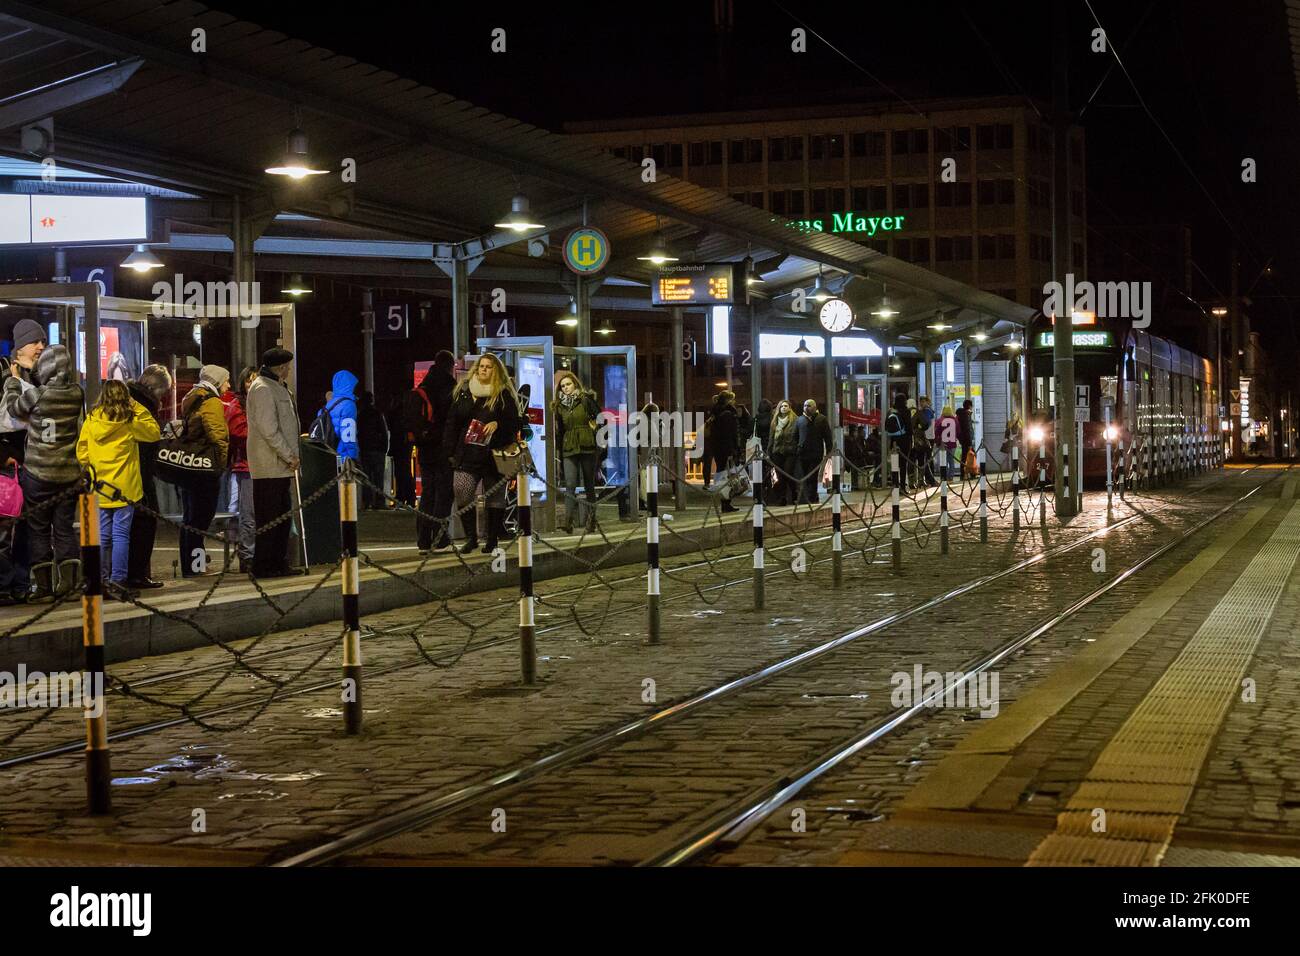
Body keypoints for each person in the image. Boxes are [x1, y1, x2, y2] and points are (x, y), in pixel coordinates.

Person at [4, 345, 83, 600]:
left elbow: (14, 409)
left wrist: (13, 382)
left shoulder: (38, 394)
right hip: (69, 475)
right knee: (64, 529)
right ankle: (69, 586)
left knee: (38, 530)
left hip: (38, 475)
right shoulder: (76, 393)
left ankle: (45, 588)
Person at [76, 380, 160, 599]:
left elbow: (81, 452)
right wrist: (136, 405)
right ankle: (118, 581)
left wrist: (96, 464)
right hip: (125, 487)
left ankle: (101, 582)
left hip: (100, 487)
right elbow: (154, 432)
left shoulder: (92, 419)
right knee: (122, 535)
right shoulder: (129, 421)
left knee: (103, 535)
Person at [442, 353, 523, 555]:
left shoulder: (503, 394)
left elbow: (515, 423)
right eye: (481, 366)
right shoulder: (465, 391)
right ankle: (471, 537)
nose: (484, 369)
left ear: (496, 371)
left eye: (489, 367)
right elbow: (452, 422)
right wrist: (450, 450)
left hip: (493, 455)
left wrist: (498, 424)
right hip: (467, 452)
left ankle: (492, 538)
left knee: (495, 498)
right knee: (461, 491)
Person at [0, 318, 46, 603]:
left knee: (27, 528)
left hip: (31, 464)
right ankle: (4, 585)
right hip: (7, 463)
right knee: (5, 526)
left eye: (42, 341)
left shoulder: (38, 376)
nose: (40, 346)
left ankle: (20, 583)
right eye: (34, 342)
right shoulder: (5, 375)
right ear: (20, 347)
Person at [246, 348, 300, 578]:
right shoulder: (263, 389)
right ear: (279, 367)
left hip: (279, 466)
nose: (289, 370)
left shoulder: (276, 386)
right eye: (287, 366)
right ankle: (265, 565)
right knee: (270, 518)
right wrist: (289, 455)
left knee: (281, 518)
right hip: (270, 466)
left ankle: (278, 562)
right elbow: (269, 429)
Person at [177, 366, 230, 578]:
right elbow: (218, 436)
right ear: (216, 381)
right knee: (200, 520)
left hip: (191, 466)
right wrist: (221, 464)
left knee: (190, 519)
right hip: (206, 468)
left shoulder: (191, 397)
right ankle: (197, 567)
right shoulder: (211, 402)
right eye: (226, 381)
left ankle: (189, 566)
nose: (228, 385)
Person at [126, 364, 173, 589]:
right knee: (145, 523)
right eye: (163, 392)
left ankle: (124, 574)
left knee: (125, 527)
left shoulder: (128, 398)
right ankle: (137, 574)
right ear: (156, 389)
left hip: (122, 474)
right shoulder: (143, 405)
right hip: (139, 474)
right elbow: (148, 440)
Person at [408, 352, 456, 553]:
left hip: (424, 449)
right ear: (451, 365)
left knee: (427, 493)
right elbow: (452, 420)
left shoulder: (424, 386)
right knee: (444, 493)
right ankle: (440, 538)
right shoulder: (448, 386)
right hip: (443, 448)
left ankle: (423, 540)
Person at [552, 370, 602, 533]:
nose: (566, 388)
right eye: (563, 385)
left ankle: (591, 520)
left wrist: (599, 440)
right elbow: (560, 431)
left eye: (568, 384)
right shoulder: (559, 406)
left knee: (589, 484)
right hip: (569, 447)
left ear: (575, 384)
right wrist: (559, 452)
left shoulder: (586, 400)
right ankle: (568, 521)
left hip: (588, 445)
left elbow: (601, 419)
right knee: (570, 484)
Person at [223, 367, 256, 572]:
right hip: (246, 466)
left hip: (261, 465)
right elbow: (239, 433)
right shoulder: (237, 406)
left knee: (257, 514)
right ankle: (248, 556)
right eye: (249, 381)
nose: (252, 384)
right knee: (248, 514)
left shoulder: (260, 403)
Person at [702, 390, 740, 509]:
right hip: (726, 447)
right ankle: (726, 501)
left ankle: (723, 499)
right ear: (728, 400)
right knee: (727, 474)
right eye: (732, 399)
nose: (733, 401)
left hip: (716, 447)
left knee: (721, 472)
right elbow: (730, 433)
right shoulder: (728, 413)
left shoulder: (714, 412)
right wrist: (733, 449)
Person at [796, 399, 833, 504]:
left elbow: (827, 437)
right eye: (805, 405)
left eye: (809, 405)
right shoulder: (800, 420)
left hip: (816, 453)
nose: (806, 407)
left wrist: (829, 452)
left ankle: (812, 497)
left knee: (812, 476)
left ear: (815, 407)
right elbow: (796, 436)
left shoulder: (821, 419)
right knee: (804, 476)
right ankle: (807, 496)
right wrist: (797, 448)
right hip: (803, 453)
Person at [357, 390, 389, 509]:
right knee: (378, 477)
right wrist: (384, 448)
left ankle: (367, 502)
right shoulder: (377, 413)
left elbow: (358, 433)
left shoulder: (360, 415)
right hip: (378, 450)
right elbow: (384, 432)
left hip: (365, 449)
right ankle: (379, 502)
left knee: (366, 477)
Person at [768, 399, 800, 506]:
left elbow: (797, 437)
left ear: (789, 408)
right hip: (777, 452)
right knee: (780, 475)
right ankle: (782, 498)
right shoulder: (775, 421)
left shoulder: (795, 420)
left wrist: (797, 449)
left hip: (790, 451)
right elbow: (771, 438)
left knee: (788, 473)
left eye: (786, 406)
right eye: (781, 406)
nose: (783, 408)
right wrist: (769, 451)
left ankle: (794, 493)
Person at [387, 394, 415, 506]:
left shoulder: (395, 414)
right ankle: (409, 498)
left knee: (400, 473)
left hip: (399, 446)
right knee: (406, 472)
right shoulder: (407, 414)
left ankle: (402, 497)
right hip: (405, 445)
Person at [885, 392, 912, 490]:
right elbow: (909, 427)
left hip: (893, 440)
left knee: (894, 463)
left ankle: (895, 484)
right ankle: (902, 487)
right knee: (903, 464)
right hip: (904, 440)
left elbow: (886, 427)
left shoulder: (890, 411)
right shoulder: (906, 411)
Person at [912, 395, 937, 487]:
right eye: (921, 402)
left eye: (923, 401)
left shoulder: (927, 411)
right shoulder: (929, 411)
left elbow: (925, 424)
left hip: (927, 438)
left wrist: (919, 427)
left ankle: (928, 479)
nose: (922, 403)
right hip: (927, 437)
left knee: (926, 460)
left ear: (928, 402)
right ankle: (925, 480)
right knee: (925, 459)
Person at [936, 404, 960, 478]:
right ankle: (951, 476)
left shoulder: (940, 420)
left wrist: (936, 441)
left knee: (944, 461)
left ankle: (944, 476)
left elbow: (936, 432)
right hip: (952, 443)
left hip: (943, 443)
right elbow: (958, 431)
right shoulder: (955, 420)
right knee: (951, 460)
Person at [957, 399, 975, 479]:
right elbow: (967, 429)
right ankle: (971, 473)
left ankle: (964, 474)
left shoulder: (961, 414)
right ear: (970, 406)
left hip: (963, 439)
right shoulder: (965, 415)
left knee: (965, 456)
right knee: (970, 456)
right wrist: (969, 443)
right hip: (967, 440)